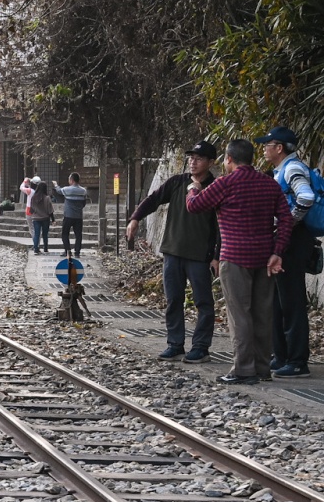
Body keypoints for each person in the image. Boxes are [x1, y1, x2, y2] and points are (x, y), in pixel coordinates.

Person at [186, 138, 292, 385]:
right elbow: (286, 220)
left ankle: (244, 369)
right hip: (265, 258)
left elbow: (195, 206)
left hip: (234, 259)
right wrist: (278, 251)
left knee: (239, 315)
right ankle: (263, 368)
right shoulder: (269, 184)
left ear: (230, 159)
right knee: (262, 314)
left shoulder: (225, 183)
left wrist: (193, 187)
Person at [125, 141, 221, 363]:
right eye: (191, 157)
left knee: (203, 302)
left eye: (198, 158)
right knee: (173, 300)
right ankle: (175, 344)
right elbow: (153, 200)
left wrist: (217, 255)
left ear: (210, 162)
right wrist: (135, 218)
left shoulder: (215, 187)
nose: (193, 162)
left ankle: (201, 347)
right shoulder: (177, 182)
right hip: (173, 252)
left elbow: (220, 226)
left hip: (199, 256)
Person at [258, 127, 317, 377]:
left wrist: (288, 223)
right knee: (280, 301)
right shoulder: (282, 169)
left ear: (279, 148)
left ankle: (297, 361)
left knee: (291, 301)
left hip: (293, 242)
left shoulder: (292, 168)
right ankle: (281, 356)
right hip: (287, 240)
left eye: (267, 144)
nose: (264, 148)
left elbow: (306, 197)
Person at [56, 173, 89, 255]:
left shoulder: (67, 189)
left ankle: (67, 251)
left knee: (65, 233)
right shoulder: (83, 191)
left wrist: (56, 185)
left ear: (72, 180)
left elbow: (58, 191)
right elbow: (84, 203)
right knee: (78, 235)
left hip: (68, 216)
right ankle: (77, 251)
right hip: (78, 216)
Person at [28, 178, 53, 253]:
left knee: (37, 234)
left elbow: (31, 209)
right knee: (45, 234)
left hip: (36, 218)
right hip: (45, 218)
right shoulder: (47, 198)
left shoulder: (33, 198)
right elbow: (50, 210)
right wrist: (53, 219)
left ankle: (36, 248)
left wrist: (33, 213)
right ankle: (45, 248)